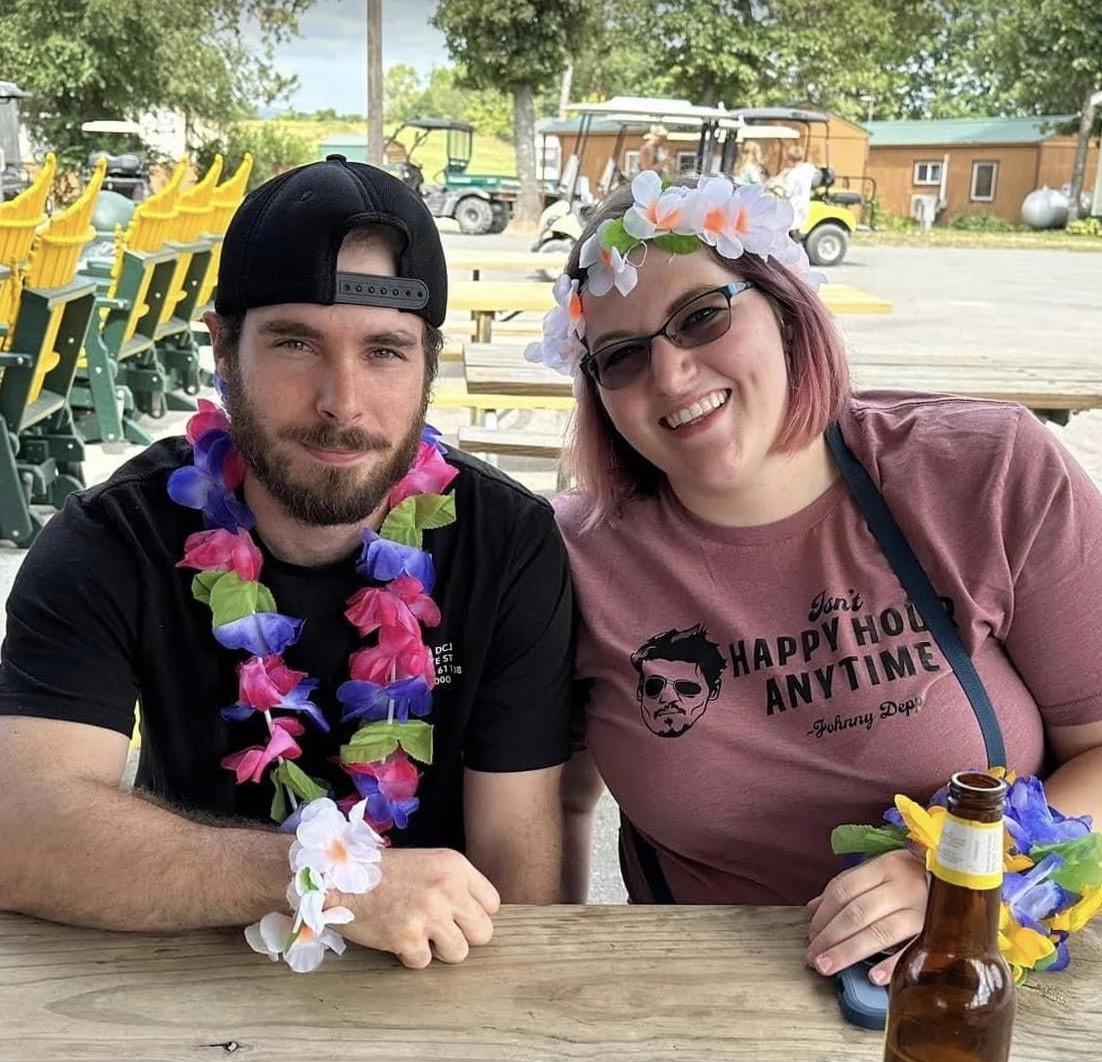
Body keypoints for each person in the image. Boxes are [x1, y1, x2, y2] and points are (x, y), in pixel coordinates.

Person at [0, 156, 574, 970]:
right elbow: (20, 828)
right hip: (182, 978)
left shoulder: (507, 543)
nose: (342, 402)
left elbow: (521, 870)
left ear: (428, 367)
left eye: (384, 351)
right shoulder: (110, 540)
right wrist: (321, 878)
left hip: (437, 978)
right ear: (223, 348)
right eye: (297, 342)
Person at [536, 169, 1102, 985]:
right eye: (620, 358)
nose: (668, 374)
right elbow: (556, 800)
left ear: (787, 304)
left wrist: (966, 875)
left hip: (982, 982)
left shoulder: (984, 471)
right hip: (702, 1000)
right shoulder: (569, 557)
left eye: (700, 317)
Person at [774, 142, 817, 237]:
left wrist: (778, 186)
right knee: (797, 231)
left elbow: (787, 191)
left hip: (792, 208)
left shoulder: (792, 175)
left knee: (789, 235)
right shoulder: (808, 169)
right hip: (803, 206)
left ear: (790, 159)